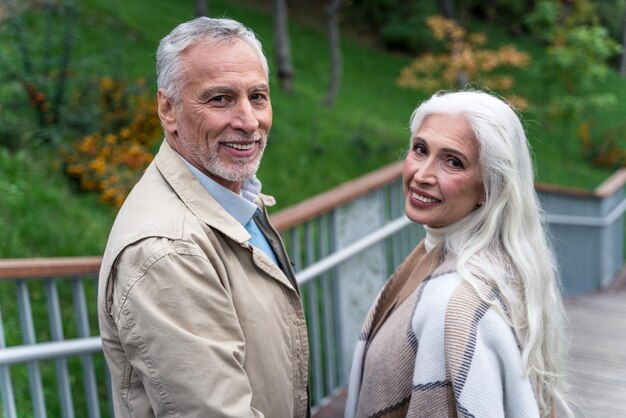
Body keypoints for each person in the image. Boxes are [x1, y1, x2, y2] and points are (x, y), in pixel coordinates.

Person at [97, 17, 309, 418]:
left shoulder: (235, 196)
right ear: (168, 109)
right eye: (220, 99)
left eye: (258, 96)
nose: (249, 122)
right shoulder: (168, 252)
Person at [345, 90, 571, 418]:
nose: (422, 175)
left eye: (453, 161)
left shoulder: (455, 306)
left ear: (489, 186)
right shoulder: (482, 263)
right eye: (420, 150)